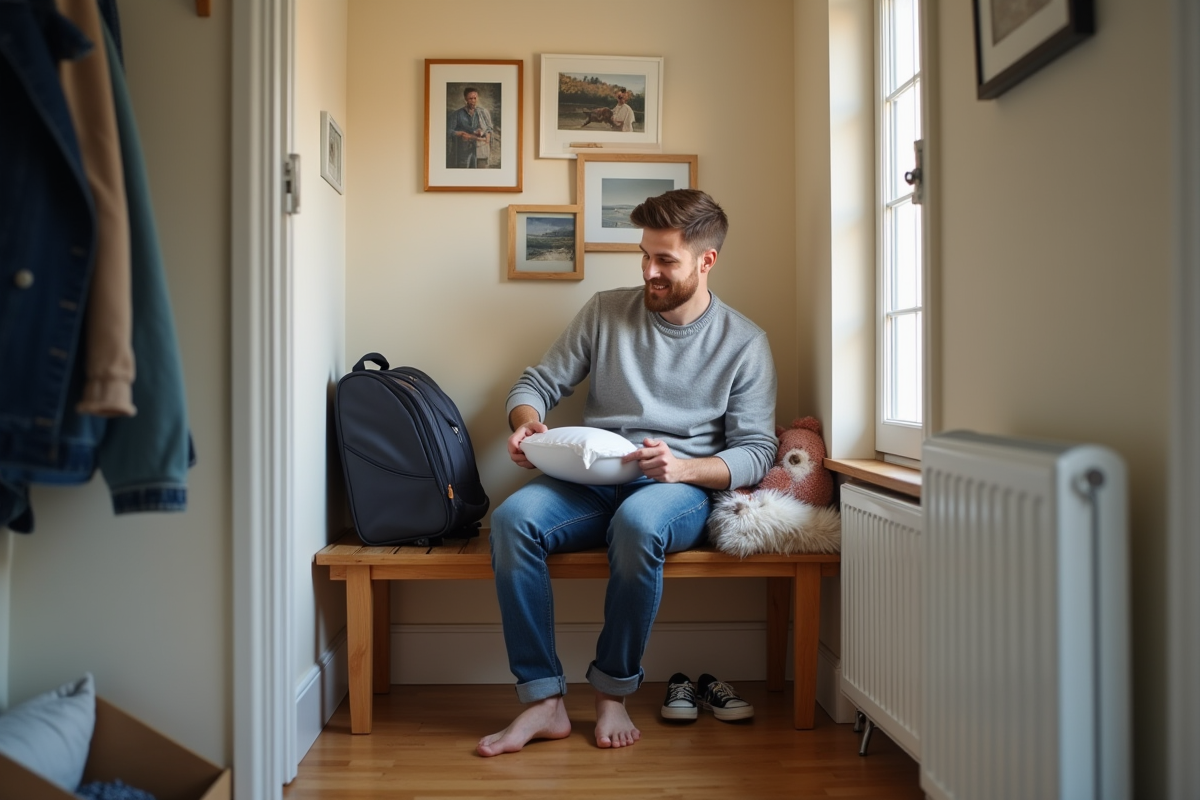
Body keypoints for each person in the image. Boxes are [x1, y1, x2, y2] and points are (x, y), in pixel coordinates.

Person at [476, 189, 778, 757]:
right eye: (644, 255)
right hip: (588, 480)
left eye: (665, 260)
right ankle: (543, 701)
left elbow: (757, 450)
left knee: (638, 525)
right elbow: (536, 385)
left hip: (674, 489)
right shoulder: (605, 310)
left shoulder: (745, 342)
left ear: (706, 261)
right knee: (513, 519)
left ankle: (613, 689)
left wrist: (685, 466)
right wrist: (527, 425)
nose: (649, 271)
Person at [447, 86, 493, 168]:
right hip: (463, 152)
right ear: (465, 99)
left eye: (475, 98)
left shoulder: (482, 113)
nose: (473, 101)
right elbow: (449, 131)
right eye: (470, 98)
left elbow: (489, 129)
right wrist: (460, 134)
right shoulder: (457, 114)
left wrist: (483, 133)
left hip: (480, 151)